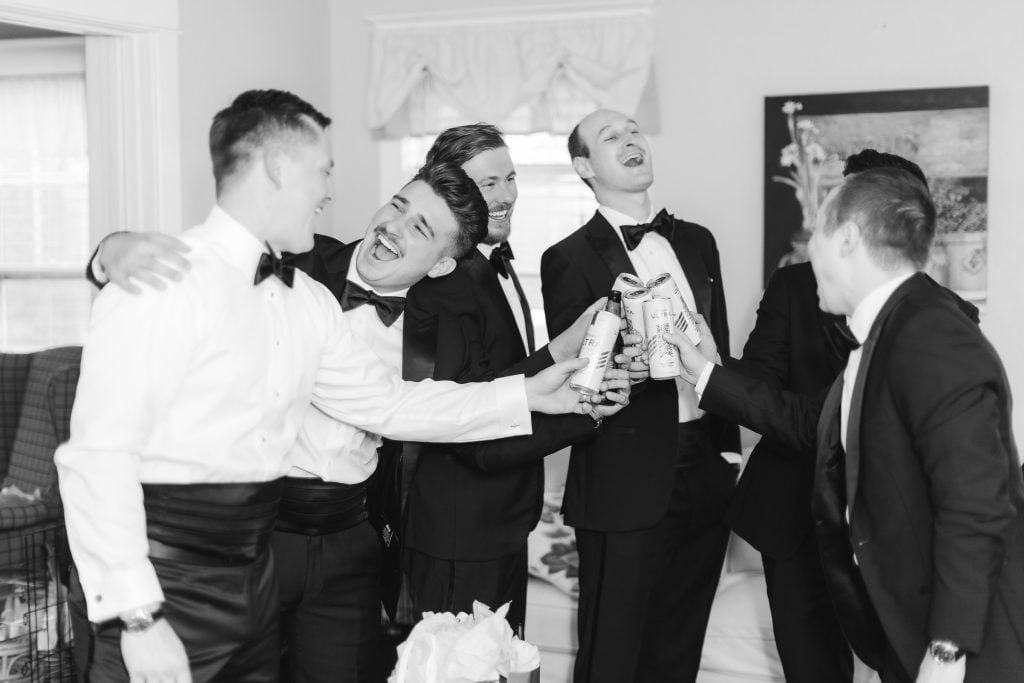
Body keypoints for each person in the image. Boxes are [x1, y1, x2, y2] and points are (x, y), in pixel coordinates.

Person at [56, 88, 594, 683]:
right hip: (165, 578)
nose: (331, 192)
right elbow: (96, 459)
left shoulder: (305, 301)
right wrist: (138, 616)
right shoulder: (160, 279)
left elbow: (387, 403)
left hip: (261, 569)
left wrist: (530, 394)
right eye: (323, 171)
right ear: (279, 169)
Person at [673, 166, 1024, 682]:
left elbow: (975, 504)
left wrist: (949, 649)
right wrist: (708, 371)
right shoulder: (888, 329)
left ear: (847, 238)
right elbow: (821, 427)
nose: (806, 248)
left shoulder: (932, 337)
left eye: (816, 231)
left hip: (958, 635)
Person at [399, 123, 641, 636]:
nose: (506, 195)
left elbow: (500, 380)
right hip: (458, 531)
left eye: (510, 178)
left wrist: (571, 351)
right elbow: (469, 411)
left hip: (504, 523)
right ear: (450, 192)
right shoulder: (442, 280)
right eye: (489, 183)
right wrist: (586, 407)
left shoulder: (494, 266)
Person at [540, 109, 740, 682]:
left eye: (634, 130)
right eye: (610, 136)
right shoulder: (566, 258)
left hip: (705, 470)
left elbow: (716, 347)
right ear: (584, 166)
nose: (630, 140)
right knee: (612, 654)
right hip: (622, 477)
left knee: (679, 649)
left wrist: (726, 453)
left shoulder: (698, 242)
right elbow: (581, 377)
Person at [723, 149, 931, 683]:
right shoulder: (794, 287)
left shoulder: (944, 320)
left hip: (891, 529)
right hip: (793, 519)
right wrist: (708, 366)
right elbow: (756, 384)